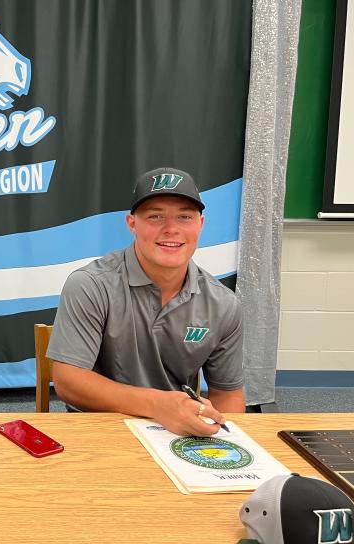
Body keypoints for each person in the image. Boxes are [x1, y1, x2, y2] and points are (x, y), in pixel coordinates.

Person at [47, 166, 244, 435]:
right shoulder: (91, 284)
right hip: (99, 426)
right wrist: (158, 405)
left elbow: (227, 394)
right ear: (132, 224)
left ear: (201, 224)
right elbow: (69, 382)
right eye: (156, 216)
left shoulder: (223, 303)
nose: (171, 229)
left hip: (178, 432)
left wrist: (222, 436)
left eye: (185, 217)